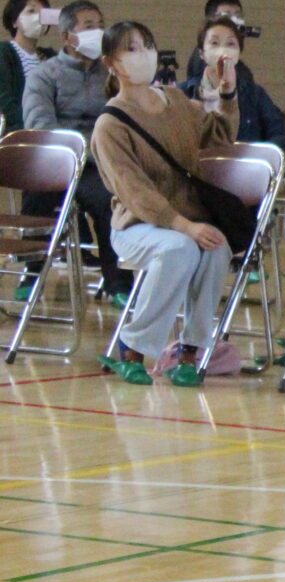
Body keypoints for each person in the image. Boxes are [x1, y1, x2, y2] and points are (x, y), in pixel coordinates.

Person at [88, 21, 238, 385]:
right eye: (133, 49)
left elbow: (218, 134)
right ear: (112, 62)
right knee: (179, 250)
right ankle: (132, 347)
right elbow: (135, 192)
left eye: (148, 46)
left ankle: (190, 350)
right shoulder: (110, 124)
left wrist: (228, 95)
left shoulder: (174, 101)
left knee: (216, 249)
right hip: (137, 227)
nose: (145, 55)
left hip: (188, 223)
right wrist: (184, 226)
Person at [21, 0, 132, 302]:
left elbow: (123, 118)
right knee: (36, 197)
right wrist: (78, 151)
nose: (98, 31)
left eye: (100, 24)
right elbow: (40, 125)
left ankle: (118, 280)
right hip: (56, 162)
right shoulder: (44, 75)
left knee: (112, 199)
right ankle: (32, 272)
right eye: (89, 26)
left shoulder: (112, 74)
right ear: (67, 36)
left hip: (99, 163)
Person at [179, 16, 285, 154]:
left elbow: (279, 134)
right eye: (214, 43)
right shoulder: (182, 94)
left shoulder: (254, 94)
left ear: (239, 51)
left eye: (230, 44)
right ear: (201, 53)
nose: (223, 49)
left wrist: (255, 157)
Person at [3, 0, 49, 132]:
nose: (38, 18)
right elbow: (4, 99)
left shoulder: (50, 57)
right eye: (31, 12)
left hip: (48, 128)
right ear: (14, 21)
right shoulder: (4, 53)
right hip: (17, 131)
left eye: (43, 14)